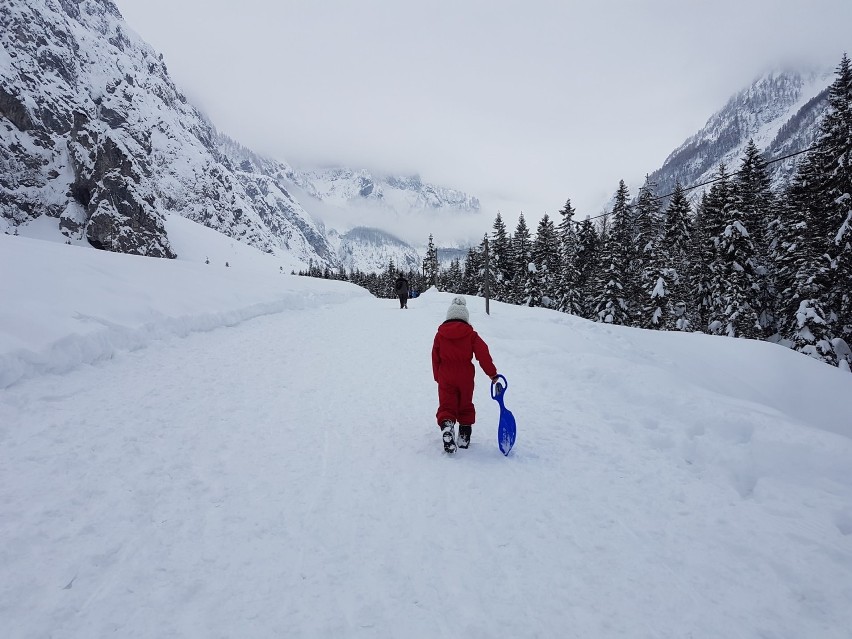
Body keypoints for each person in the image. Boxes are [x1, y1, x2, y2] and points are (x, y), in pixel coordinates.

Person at [431, 296, 500, 453]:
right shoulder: (471, 335)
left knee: (447, 404)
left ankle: (447, 427)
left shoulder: (440, 335)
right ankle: (464, 435)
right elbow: (483, 354)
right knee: (465, 403)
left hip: (446, 374)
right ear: (465, 317)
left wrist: (438, 377)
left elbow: (435, 357)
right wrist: (492, 373)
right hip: (465, 375)